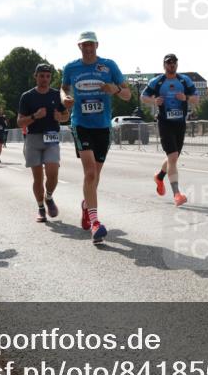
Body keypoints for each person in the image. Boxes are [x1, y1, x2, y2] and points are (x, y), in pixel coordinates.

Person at [61, 31, 131, 244]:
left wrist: (116, 89)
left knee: (95, 176)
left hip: (103, 126)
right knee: (90, 173)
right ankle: (95, 223)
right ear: (79, 47)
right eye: (84, 45)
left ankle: (86, 206)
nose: (88, 48)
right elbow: (63, 88)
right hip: (81, 124)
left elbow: (128, 94)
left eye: (91, 45)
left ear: (97, 45)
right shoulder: (71, 68)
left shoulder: (109, 66)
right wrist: (65, 98)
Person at [142, 53, 199, 206]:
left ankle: (160, 176)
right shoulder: (158, 81)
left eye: (173, 62)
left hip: (180, 123)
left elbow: (196, 98)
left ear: (177, 64)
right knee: (173, 156)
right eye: (168, 63)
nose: (171, 65)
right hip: (165, 123)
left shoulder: (184, 80)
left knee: (173, 158)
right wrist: (154, 101)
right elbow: (143, 97)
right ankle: (177, 194)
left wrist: (186, 98)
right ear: (164, 65)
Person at [18, 64, 68, 222]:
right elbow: (20, 122)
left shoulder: (56, 94)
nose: (45, 79)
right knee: (38, 178)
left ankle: (49, 197)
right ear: (36, 76)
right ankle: (40, 208)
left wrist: (60, 117)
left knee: (53, 173)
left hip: (52, 138)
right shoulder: (27, 96)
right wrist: (34, 116)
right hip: (33, 139)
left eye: (47, 76)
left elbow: (66, 115)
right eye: (41, 76)